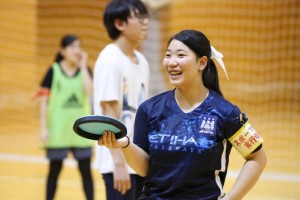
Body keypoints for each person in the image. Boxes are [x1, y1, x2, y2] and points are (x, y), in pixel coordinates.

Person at [98, 30, 267, 200]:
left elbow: (257, 157)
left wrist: (231, 198)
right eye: (168, 55)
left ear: (202, 63)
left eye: (180, 55)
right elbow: (144, 169)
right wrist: (125, 144)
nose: (171, 62)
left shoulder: (225, 112)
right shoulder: (149, 109)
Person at [93, 0, 150, 199]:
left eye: (145, 16)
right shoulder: (110, 59)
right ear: (119, 24)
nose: (145, 22)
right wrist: (118, 164)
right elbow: (109, 112)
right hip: (117, 163)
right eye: (138, 17)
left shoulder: (141, 60)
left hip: (138, 160)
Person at [39, 34, 94, 200]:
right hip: (58, 130)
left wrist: (83, 66)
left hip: (81, 130)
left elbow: (91, 92)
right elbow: (43, 102)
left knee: (86, 171)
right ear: (62, 51)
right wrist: (43, 128)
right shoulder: (53, 70)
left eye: (78, 46)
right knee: (54, 171)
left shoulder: (85, 70)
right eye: (72, 46)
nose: (76, 50)